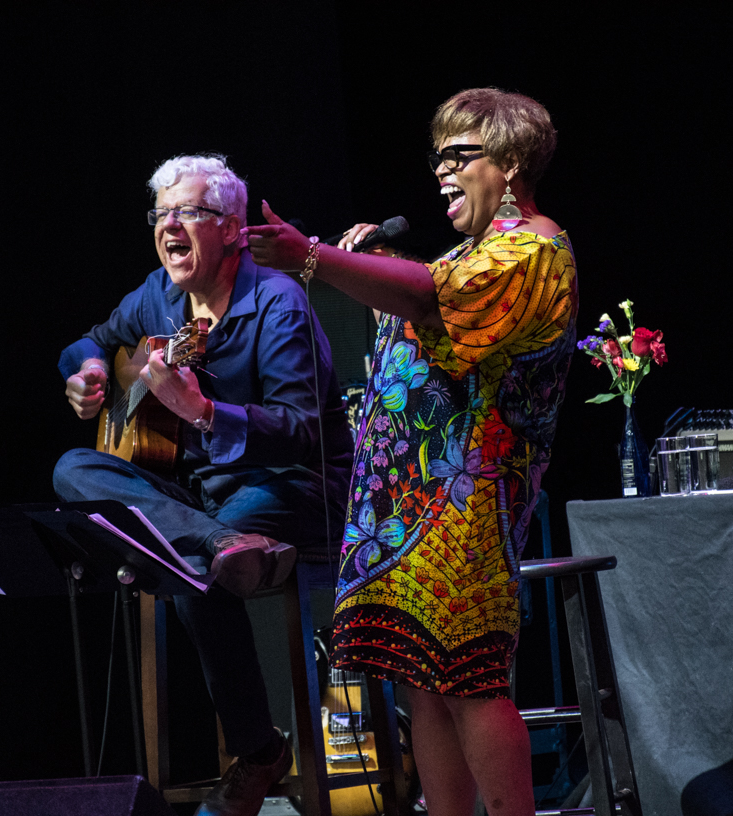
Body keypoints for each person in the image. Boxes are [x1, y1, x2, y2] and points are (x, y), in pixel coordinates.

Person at [245, 88, 577, 816]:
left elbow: (433, 301)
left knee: (469, 679)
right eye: (438, 157)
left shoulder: (535, 250)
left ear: (513, 160)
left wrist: (316, 258)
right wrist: (372, 273)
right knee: (420, 680)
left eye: (460, 154)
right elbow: (432, 319)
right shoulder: (471, 252)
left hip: (463, 508)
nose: (441, 171)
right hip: (408, 508)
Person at [53, 154, 353, 816]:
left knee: (182, 562)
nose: (171, 227)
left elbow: (302, 431)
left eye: (190, 212)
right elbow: (86, 341)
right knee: (72, 468)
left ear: (233, 228)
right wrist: (94, 371)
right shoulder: (156, 295)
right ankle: (218, 543)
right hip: (205, 504)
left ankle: (258, 752)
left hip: (291, 489)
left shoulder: (277, 301)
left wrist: (202, 411)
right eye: (162, 214)